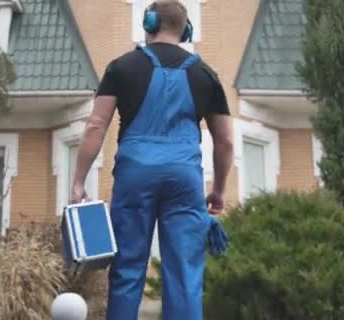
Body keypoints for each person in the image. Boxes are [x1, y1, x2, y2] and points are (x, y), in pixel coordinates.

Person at [69, 1, 233, 319]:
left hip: (135, 176)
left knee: (128, 268)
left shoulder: (122, 67)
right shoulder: (205, 74)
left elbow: (95, 125)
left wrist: (79, 180)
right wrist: (219, 189)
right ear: (185, 30)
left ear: (150, 22)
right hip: (184, 179)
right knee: (185, 273)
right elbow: (225, 140)